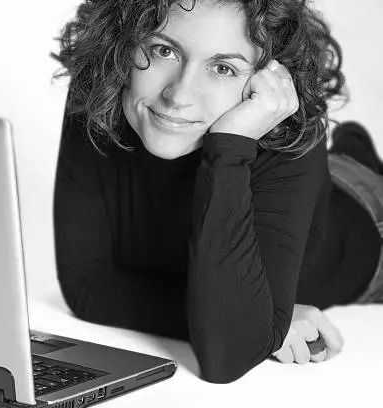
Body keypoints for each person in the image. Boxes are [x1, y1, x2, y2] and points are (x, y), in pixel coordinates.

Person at [50, 0, 383, 384]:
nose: (178, 95)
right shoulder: (101, 88)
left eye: (223, 68)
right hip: (314, 187)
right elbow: (87, 287)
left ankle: (357, 155)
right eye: (163, 50)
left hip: (367, 220)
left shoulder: (290, 129)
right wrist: (262, 322)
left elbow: (228, 355)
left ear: (265, 84)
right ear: (121, 42)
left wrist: (231, 145)